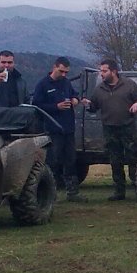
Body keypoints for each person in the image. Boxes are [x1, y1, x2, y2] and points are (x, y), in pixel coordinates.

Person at [81, 59, 137, 201]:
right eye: (101, 71)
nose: (101, 74)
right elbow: (94, 107)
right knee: (115, 161)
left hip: (128, 128)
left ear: (114, 71)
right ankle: (119, 191)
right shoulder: (99, 89)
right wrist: (88, 105)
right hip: (110, 129)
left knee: (133, 158)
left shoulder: (128, 85)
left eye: (104, 71)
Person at [32, 57, 86, 202]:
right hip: (52, 129)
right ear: (54, 67)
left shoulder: (66, 82)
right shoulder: (43, 85)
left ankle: (73, 192)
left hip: (68, 129)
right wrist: (56, 107)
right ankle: (49, 194)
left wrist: (75, 100)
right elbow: (36, 106)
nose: (63, 74)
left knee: (70, 160)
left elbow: (74, 94)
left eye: (66, 72)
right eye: (61, 71)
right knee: (52, 162)